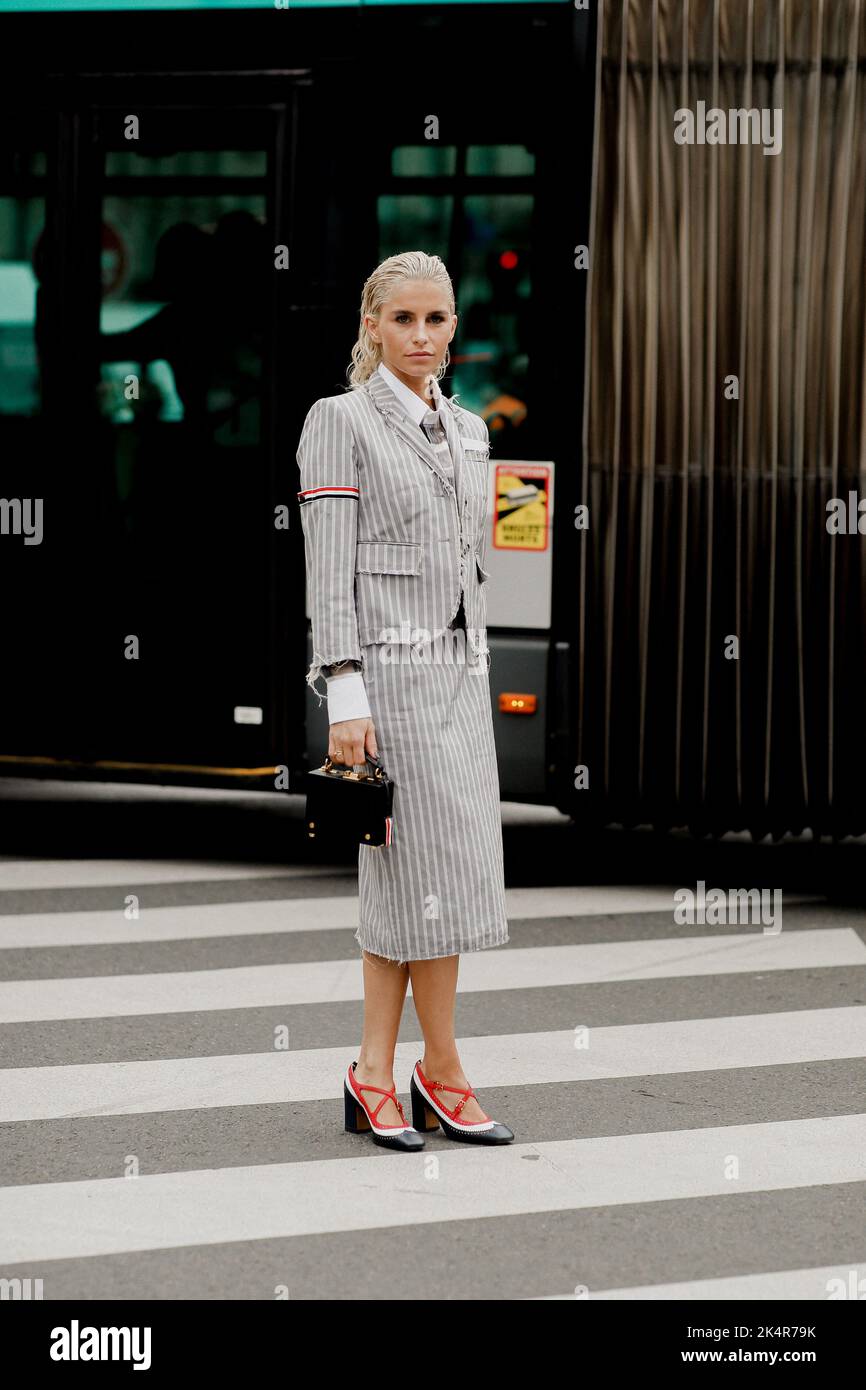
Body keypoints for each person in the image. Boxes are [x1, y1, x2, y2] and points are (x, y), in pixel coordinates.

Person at [296, 250, 513, 1150]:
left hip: (459, 678)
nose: (422, 337)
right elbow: (328, 569)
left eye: (436, 320)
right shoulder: (338, 421)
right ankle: (440, 1069)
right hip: (385, 680)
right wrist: (344, 692)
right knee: (418, 875)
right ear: (371, 327)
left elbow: (471, 566)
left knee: (435, 877)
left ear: (454, 326)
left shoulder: (469, 431)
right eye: (404, 321)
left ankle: (381, 1071)